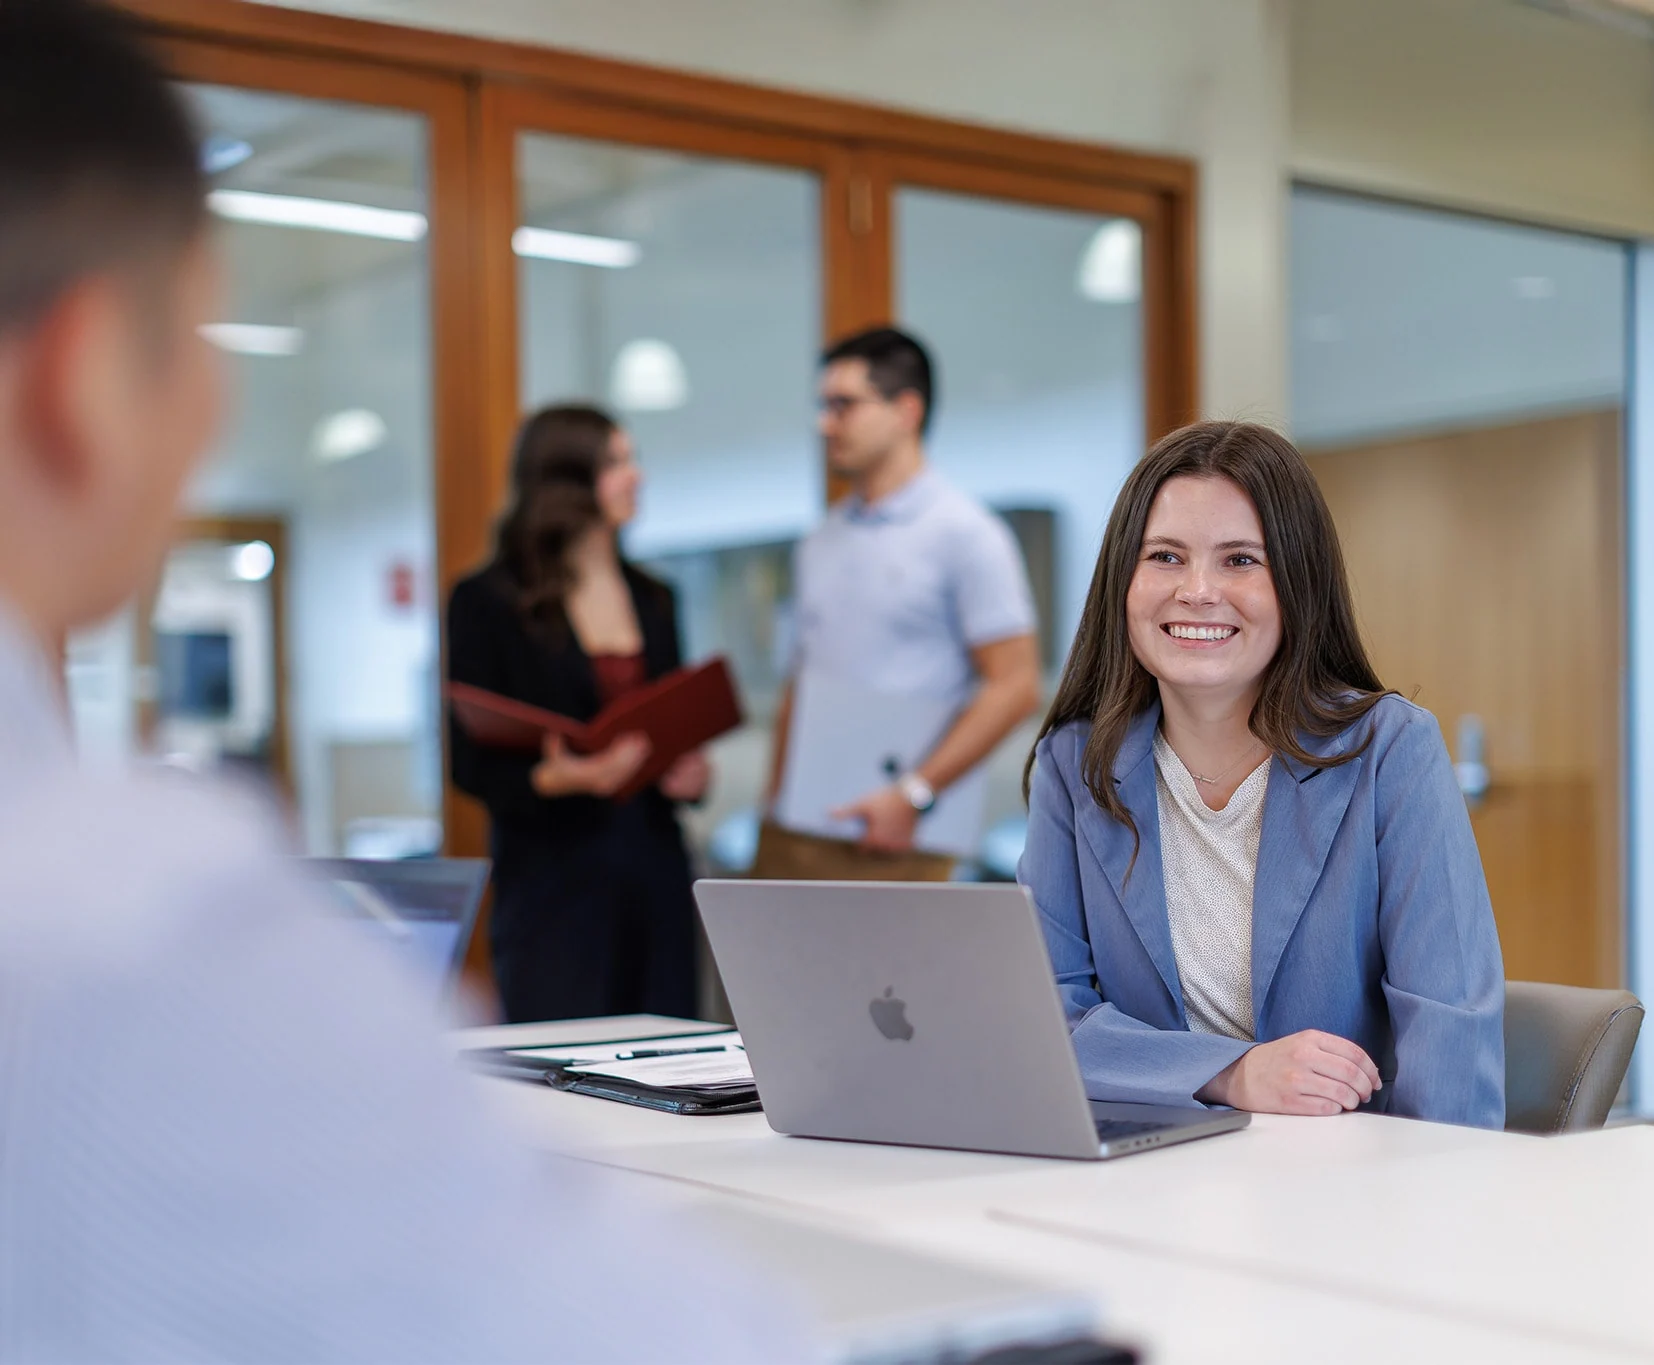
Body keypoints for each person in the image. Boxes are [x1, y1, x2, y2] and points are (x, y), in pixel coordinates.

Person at [0, 4, 809, 1357]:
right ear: (84, 384)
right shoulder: (137, 922)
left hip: (643, 856)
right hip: (556, 868)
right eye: (201, 348)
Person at [1018, 421, 1507, 1127]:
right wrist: (1231, 1073)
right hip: (1146, 1173)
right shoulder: (1076, 762)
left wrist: (1431, 1207)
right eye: (1165, 555)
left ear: (1297, 583)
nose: (1198, 590)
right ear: (1122, 580)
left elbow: (1450, 1034)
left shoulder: (1391, 749)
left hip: (1352, 1183)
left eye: (1241, 560)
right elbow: (1042, 1021)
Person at [447, 404, 712, 1024]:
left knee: (671, 1055)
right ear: (566, 481)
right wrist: (560, 779)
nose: (636, 476)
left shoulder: (656, 598)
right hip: (553, 883)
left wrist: (694, 776)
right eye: (616, 462)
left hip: (656, 870)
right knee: (561, 1074)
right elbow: (467, 762)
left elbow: (675, 725)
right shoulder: (487, 601)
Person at [757, 326, 1042, 880]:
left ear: (906, 410)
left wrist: (914, 794)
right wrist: (774, 797)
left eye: (843, 405)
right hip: (798, 822)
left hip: (897, 834)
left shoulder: (967, 534)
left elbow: (1014, 686)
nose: (825, 423)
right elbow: (804, 680)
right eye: (823, 405)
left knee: (885, 971)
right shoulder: (821, 540)